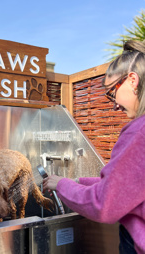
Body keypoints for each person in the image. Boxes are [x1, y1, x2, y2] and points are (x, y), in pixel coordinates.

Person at [43, 40, 145, 254]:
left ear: (132, 80)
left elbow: (104, 203)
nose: (115, 104)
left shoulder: (138, 132)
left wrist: (62, 184)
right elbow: (129, 187)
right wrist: (79, 181)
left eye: (111, 92)